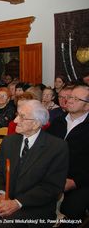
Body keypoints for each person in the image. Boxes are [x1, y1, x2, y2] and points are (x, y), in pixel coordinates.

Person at [0, 100, 69, 227]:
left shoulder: (56, 147)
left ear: (36, 123)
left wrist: (18, 203)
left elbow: (52, 187)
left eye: (22, 117)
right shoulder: (9, 141)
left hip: (35, 206)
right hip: (7, 197)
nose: (15, 121)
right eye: (17, 115)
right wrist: (1, 194)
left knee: (7, 226)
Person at [47, 85, 89, 224]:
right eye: (70, 96)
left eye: (76, 99)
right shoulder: (58, 122)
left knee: (70, 212)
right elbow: (44, 149)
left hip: (80, 181)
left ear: (87, 106)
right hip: (51, 176)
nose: (69, 100)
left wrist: (74, 182)